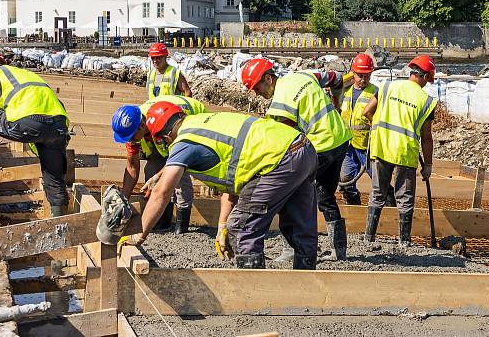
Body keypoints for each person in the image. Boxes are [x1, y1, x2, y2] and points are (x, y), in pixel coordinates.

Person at [119, 103, 318, 269]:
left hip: (278, 160)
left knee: (241, 228)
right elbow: (233, 183)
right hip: (302, 148)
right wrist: (222, 224)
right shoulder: (203, 122)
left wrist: (140, 234)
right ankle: (307, 285)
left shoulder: (183, 142)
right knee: (299, 223)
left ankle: (256, 294)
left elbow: (161, 194)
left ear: (164, 138)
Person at [241, 59, 352, 262]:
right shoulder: (303, 76)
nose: (256, 93)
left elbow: (285, 144)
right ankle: (339, 250)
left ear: (268, 78)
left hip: (320, 146)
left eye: (257, 87)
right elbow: (336, 79)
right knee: (325, 195)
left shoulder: (280, 103)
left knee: (288, 193)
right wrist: (337, 103)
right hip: (340, 139)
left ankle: (291, 249)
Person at [360, 55, 438, 247]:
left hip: (381, 146)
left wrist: (378, 125)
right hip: (405, 151)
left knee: (378, 193)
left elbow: (367, 112)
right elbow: (426, 138)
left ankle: (368, 238)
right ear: (426, 76)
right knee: (405, 197)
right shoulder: (426, 100)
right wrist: (428, 165)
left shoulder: (387, 86)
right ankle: (404, 241)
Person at [0, 54, 71, 216]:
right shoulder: (25, 74)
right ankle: (60, 225)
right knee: (55, 180)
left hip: (28, 122)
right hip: (59, 126)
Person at [111, 95, 205, 234]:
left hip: (191, 121)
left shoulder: (163, 121)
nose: (130, 141)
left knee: (179, 175)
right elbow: (132, 167)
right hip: (157, 133)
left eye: (131, 137)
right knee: (152, 169)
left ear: (142, 126)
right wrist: (123, 201)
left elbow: (176, 161)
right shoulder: (134, 129)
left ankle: (182, 225)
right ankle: (161, 222)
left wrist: (158, 177)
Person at [338, 53, 378, 205]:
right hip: (348, 145)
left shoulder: (375, 92)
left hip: (367, 146)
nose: (363, 80)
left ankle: (389, 207)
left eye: (366, 76)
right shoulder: (344, 91)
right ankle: (354, 205)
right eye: (359, 75)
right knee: (345, 179)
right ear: (352, 73)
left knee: (379, 180)